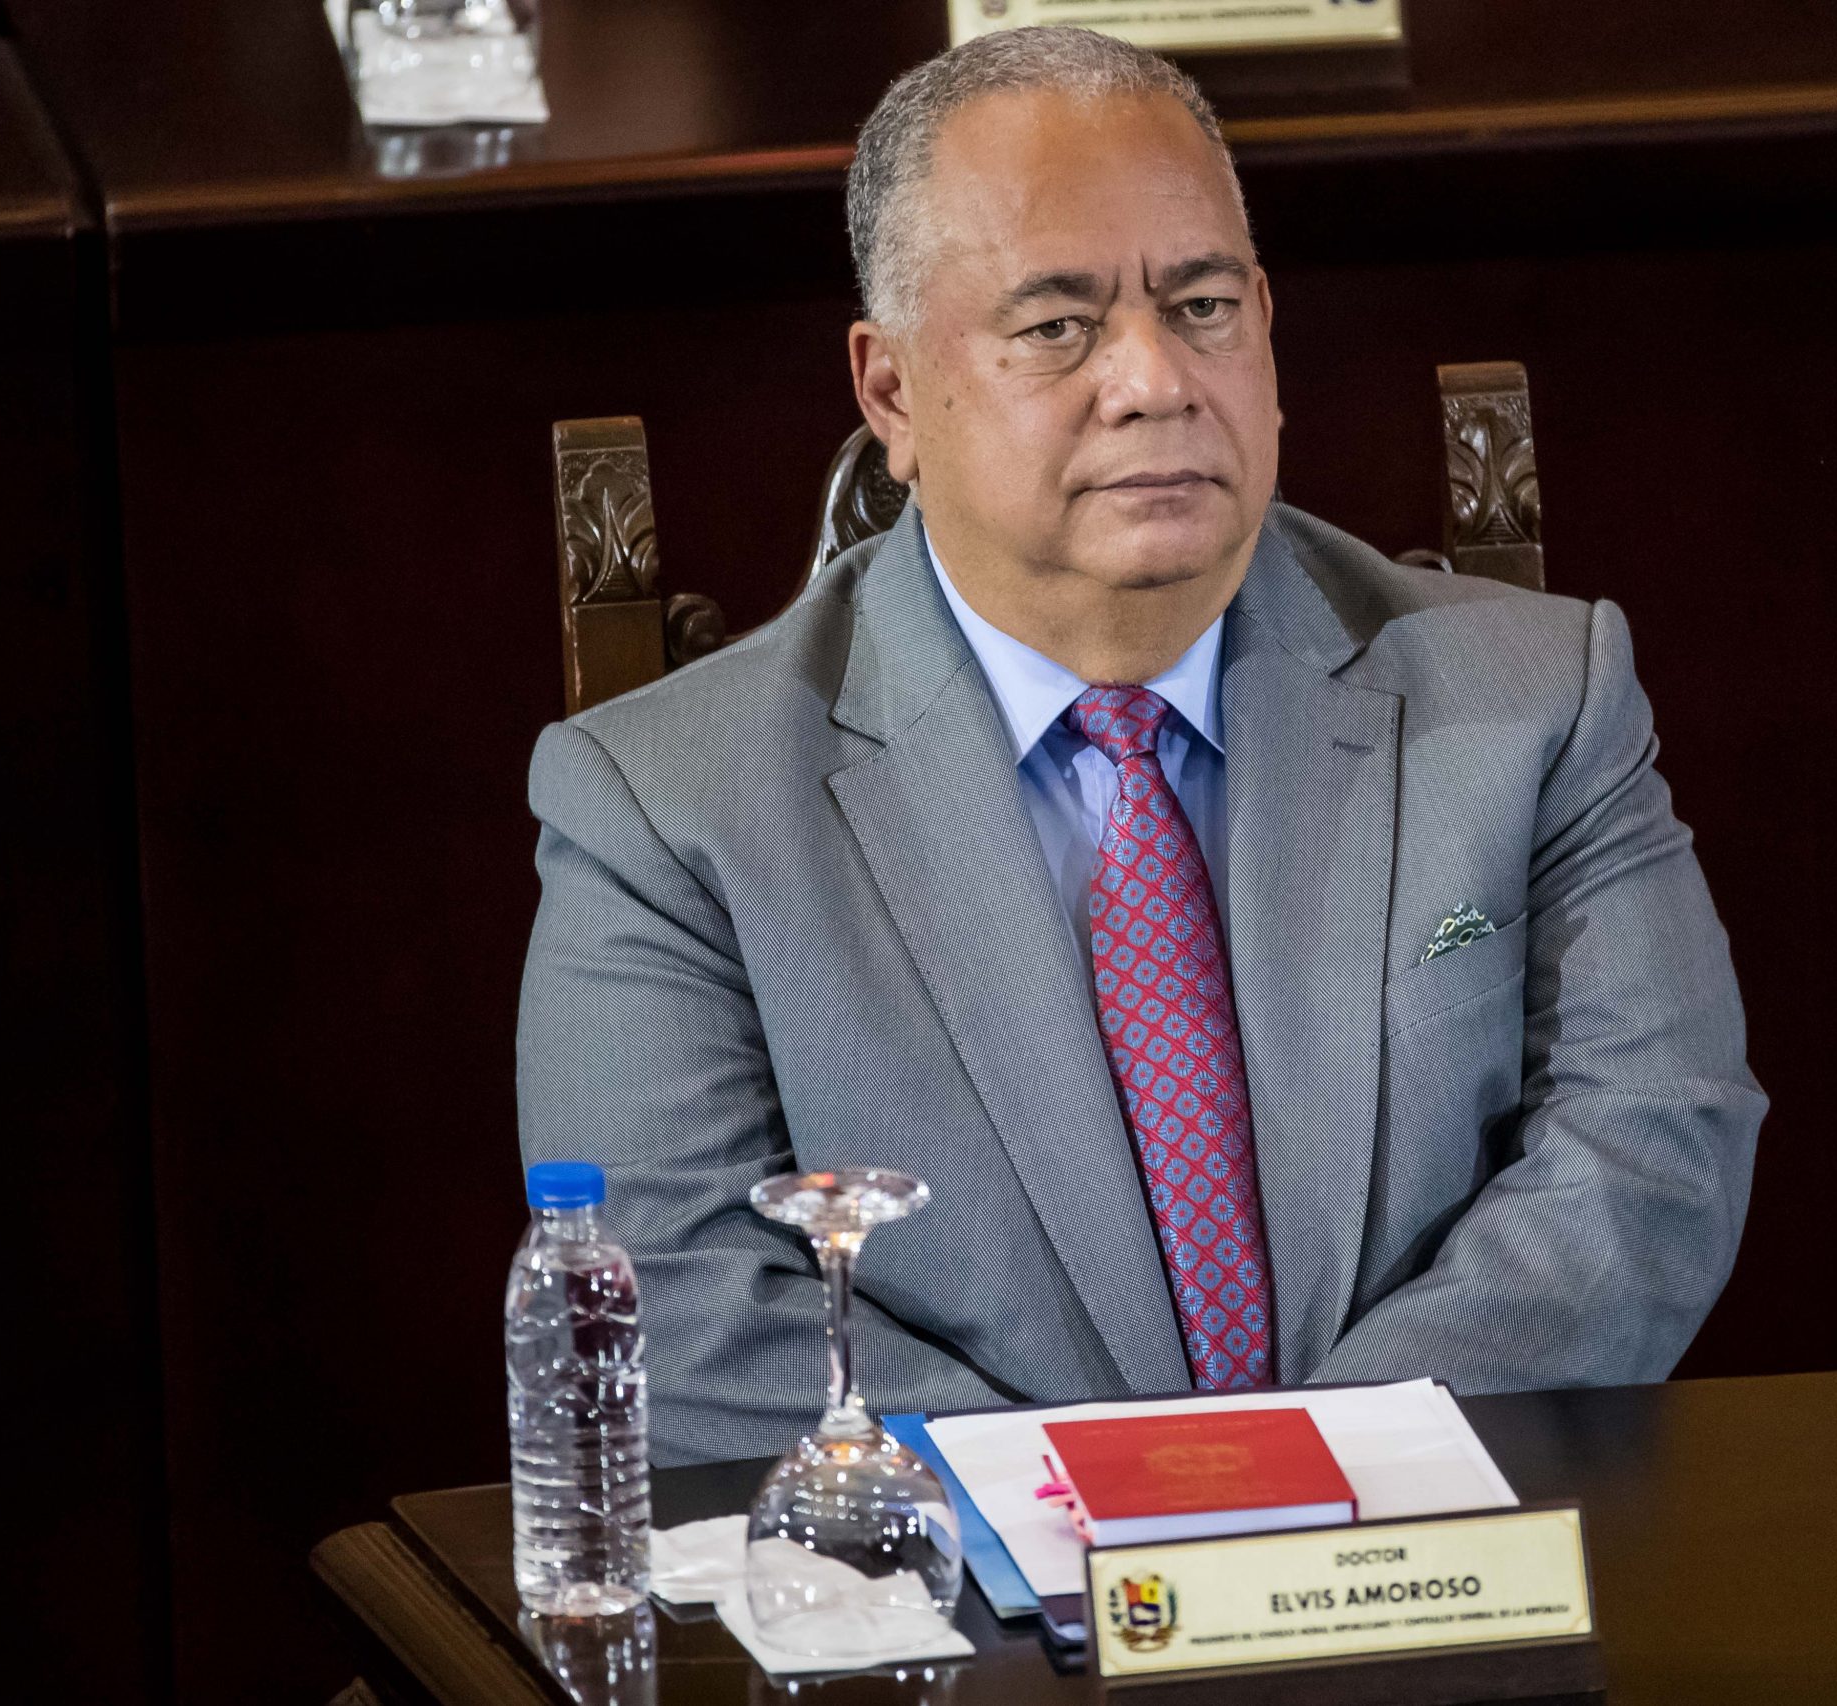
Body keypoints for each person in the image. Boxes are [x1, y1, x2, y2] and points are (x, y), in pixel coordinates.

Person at [517, 26, 1765, 1465]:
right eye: (1058, 325)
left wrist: (1306, 1490)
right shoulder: (662, 806)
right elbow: (673, 1306)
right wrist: (1117, 1512)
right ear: (892, 391)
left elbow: (1650, 1156)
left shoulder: (1538, 698)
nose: (1154, 379)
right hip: (952, 1583)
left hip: (1425, 1553)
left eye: (1204, 305)